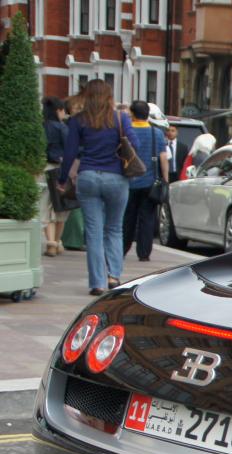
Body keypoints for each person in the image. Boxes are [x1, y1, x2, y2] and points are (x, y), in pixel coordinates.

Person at [58, 79, 140, 296]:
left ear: (87, 96)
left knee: (93, 232)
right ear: (109, 96)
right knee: (114, 228)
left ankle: (97, 283)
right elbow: (135, 145)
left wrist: (62, 179)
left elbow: (70, 152)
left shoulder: (78, 120)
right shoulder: (120, 118)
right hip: (116, 177)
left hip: (88, 176)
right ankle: (114, 276)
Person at [122, 101, 169, 263]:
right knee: (147, 218)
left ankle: (123, 248)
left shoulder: (127, 132)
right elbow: (163, 158)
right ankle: (144, 253)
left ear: (132, 114)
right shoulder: (157, 133)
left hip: (129, 182)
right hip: (150, 183)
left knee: (128, 218)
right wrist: (165, 180)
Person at [41, 97, 71, 256]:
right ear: (58, 110)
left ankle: (50, 243)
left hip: (44, 168)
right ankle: (57, 242)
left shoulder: (41, 126)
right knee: (61, 207)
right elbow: (70, 149)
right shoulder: (62, 128)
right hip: (60, 169)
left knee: (46, 206)